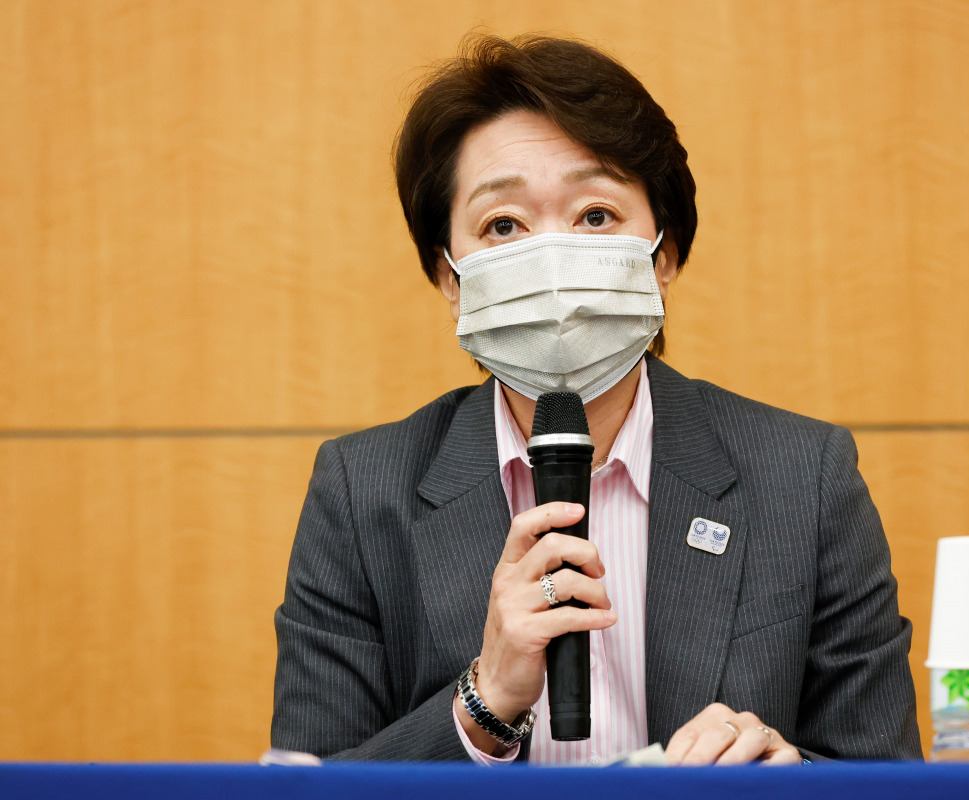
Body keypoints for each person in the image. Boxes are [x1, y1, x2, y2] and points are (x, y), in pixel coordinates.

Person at [271, 33, 921, 765]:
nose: (552, 258)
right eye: (503, 225)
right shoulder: (362, 495)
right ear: (451, 279)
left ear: (663, 256)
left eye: (596, 216)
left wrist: (789, 775)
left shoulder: (805, 478)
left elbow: (885, 774)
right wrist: (481, 706)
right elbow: (309, 784)